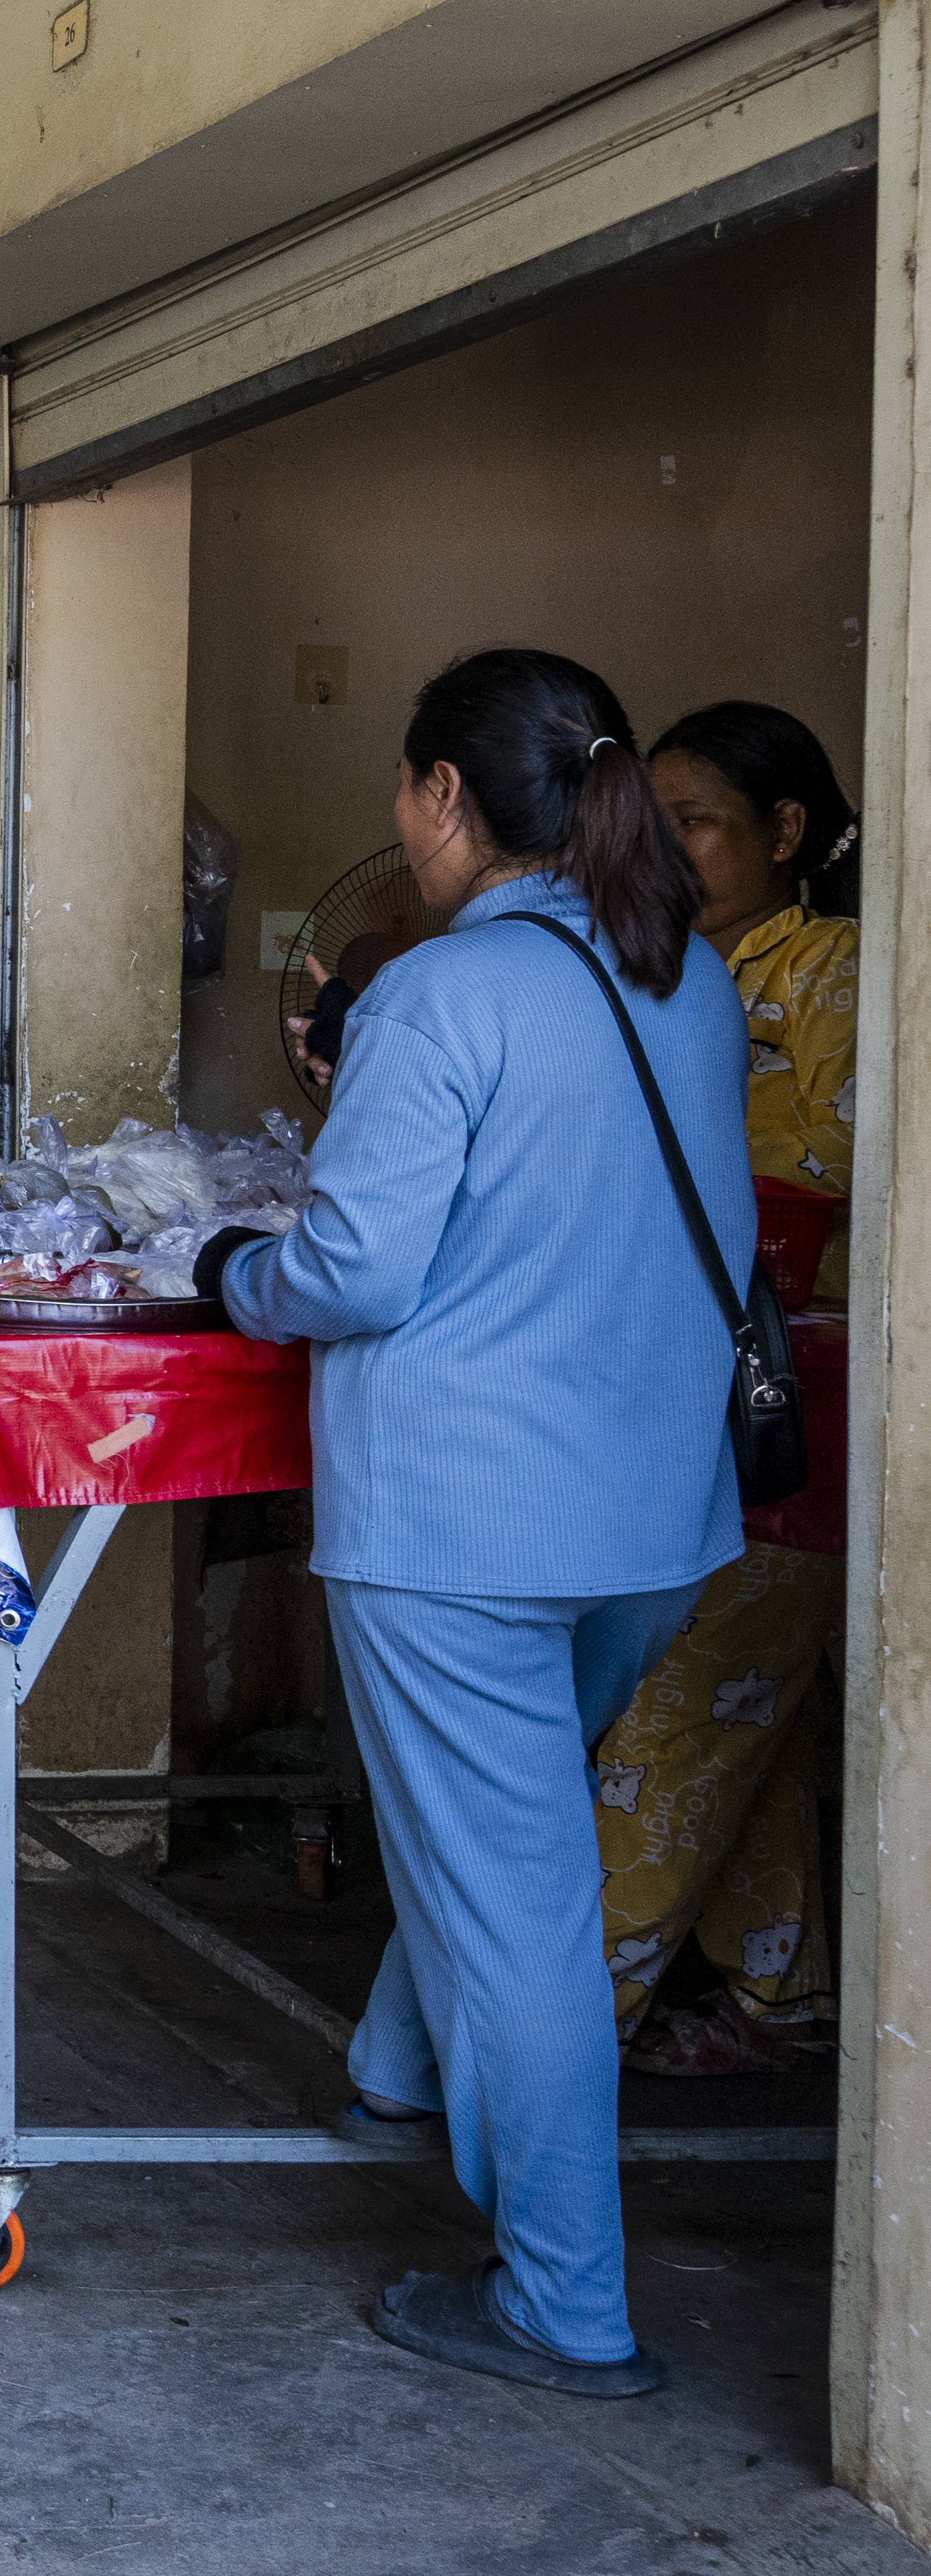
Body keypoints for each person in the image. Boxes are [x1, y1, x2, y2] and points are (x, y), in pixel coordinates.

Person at [193, 649, 743, 2401]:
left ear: (443, 799)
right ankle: (398, 2066)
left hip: (463, 1527)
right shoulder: (694, 981)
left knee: (518, 1910)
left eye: (407, 796)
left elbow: (356, 1268)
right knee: (508, 1850)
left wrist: (228, 1274)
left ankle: (565, 2305)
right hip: (653, 1518)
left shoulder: (441, 997)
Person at [588, 699, 862, 2081]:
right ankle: (781, 1991)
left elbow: (840, 1166)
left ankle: (569, 2024)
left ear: (788, 831)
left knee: (688, 1698)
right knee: (750, 1697)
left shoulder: (838, 974)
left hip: (800, 1393)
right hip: (678, 1376)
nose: (672, 850)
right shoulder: (666, 971)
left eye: (697, 820)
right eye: (660, 820)